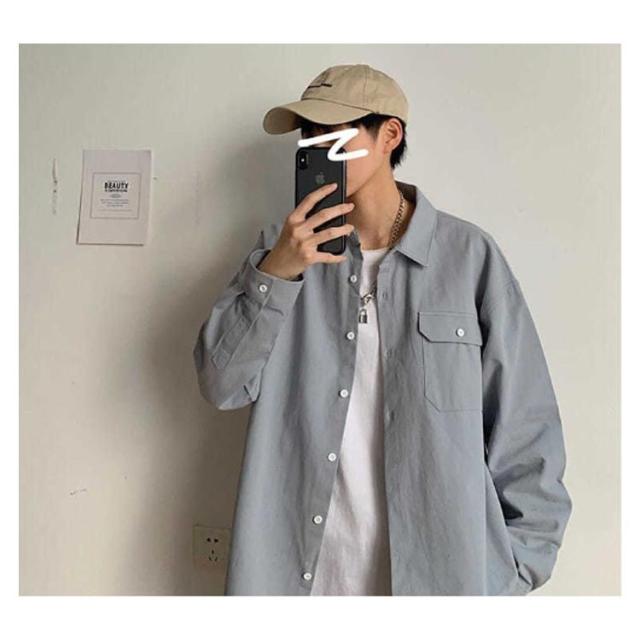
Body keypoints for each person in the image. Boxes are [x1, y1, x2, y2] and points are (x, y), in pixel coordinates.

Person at [193, 63, 572, 596]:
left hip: (438, 581)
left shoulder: (467, 258)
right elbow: (221, 384)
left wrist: (514, 568)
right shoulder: (279, 254)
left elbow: (526, 423)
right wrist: (277, 272)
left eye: (333, 133)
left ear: (389, 135)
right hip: (297, 578)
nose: (317, 148)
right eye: (309, 135)